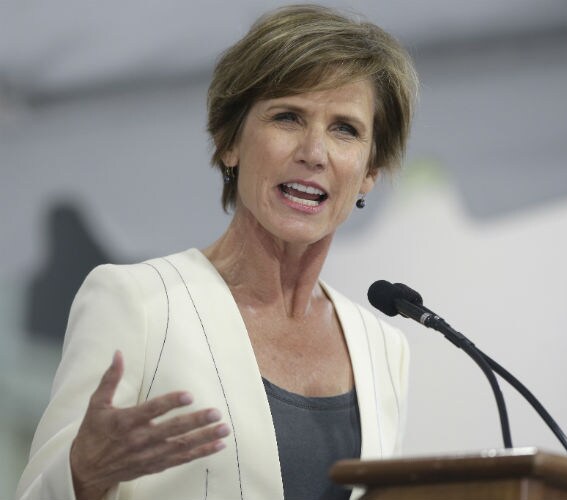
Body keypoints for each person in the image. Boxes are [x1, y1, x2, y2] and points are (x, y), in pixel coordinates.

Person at [17, 4, 418, 500]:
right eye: (288, 117)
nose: (314, 152)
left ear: (370, 171)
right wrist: (83, 476)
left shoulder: (383, 346)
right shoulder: (137, 303)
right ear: (230, 142)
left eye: (345, 129)